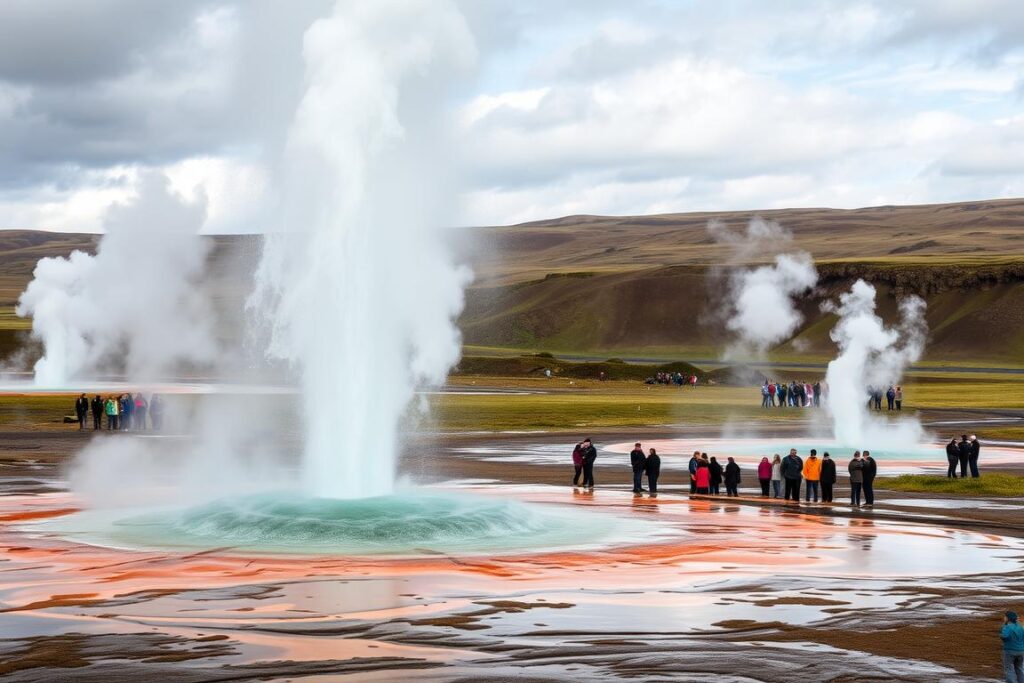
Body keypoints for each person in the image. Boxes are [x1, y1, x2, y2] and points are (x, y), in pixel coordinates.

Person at [1002, 611, 1024, 683]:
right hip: (1021, 651)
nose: (1004, 618)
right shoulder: (1020, 627)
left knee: (1009, 669)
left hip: (1009, 651)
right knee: (1019, 669)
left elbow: (1004, 636)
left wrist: (1004, 628)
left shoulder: (1007, 627)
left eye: (1005, 617)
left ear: (1008, 618)